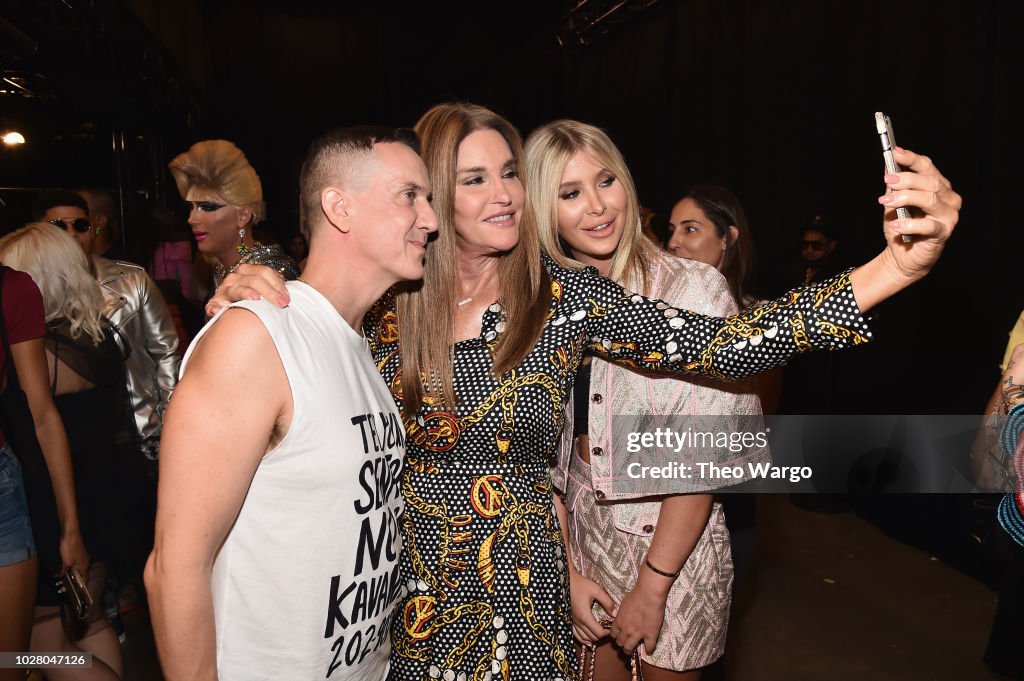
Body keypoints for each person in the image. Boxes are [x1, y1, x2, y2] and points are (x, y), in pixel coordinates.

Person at [213, 102, 960, 680]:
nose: (507, 193)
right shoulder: (387, 303)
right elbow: (307, 297)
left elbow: (730, 346)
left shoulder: (562, 296)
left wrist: (895, 269)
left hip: (525, 592)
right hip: (400, 601)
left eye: (510, 172)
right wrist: (252, 278)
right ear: (432, 195)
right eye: (476, 178)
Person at [145, 126, 437, 681]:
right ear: (339, 207)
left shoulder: (361, 349)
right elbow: (174, 568)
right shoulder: (256, 338)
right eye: (409, 196)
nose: (431, 219)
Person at [526, 120, 762, 680]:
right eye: (570, 193)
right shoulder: (544, 302)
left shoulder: (692, 289)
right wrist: (565, 564)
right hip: (580, 530)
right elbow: (531, 448)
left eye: (606, 180)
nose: (598, 206)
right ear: (542, 208)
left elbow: (705, 455)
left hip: (670, 539)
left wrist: (654, 586)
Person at [1, 223, 142, 680]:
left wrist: (66, 529)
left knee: (40, 644)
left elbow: (40, 426)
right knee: (88, 623)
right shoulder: (94, 339)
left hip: (58, 509)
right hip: (102, 500)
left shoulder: (42, 355)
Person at [34, 190, 180, 464]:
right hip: (72, 433)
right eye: (58, 226)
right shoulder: (31, 289)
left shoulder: (132, 280)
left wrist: (171, 423)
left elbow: (166, 353)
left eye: (80, 225)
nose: (72, 233)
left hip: (136, 426)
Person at [0, 262, 89, 681]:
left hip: (5, 497)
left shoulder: (12, 288)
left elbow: (42, 414)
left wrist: (70, 529)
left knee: (18, 661)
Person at [667, 185, 781, 414]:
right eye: (671, 230)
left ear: (727, 239)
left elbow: (764, 414)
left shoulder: (759, 317)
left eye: (690, 229)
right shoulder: (659, 310)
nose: (672, 242)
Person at [168, 139, 300, 289]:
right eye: (191, 207)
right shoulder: (223, 269)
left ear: (242, 216)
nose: (191, 219)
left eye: (206, 207)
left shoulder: (270, 276)